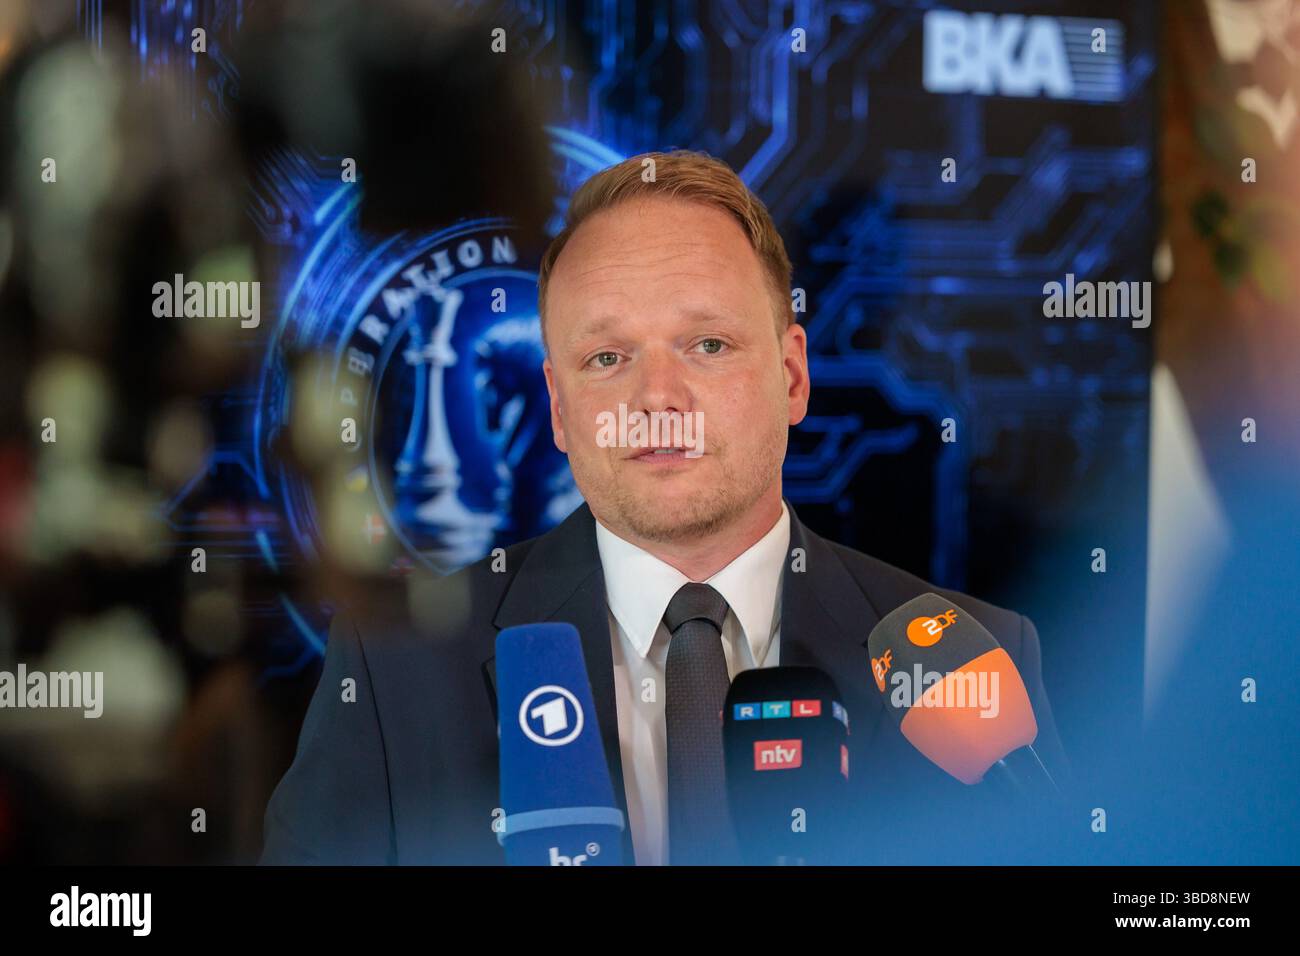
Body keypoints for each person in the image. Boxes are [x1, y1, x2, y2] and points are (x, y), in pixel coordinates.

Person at [261, 150, 1068, 865]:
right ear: (559, 409)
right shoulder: (394, 670)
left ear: (792, 376)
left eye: (707, 345)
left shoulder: (980, 665)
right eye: (607, 357)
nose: (656, 398)